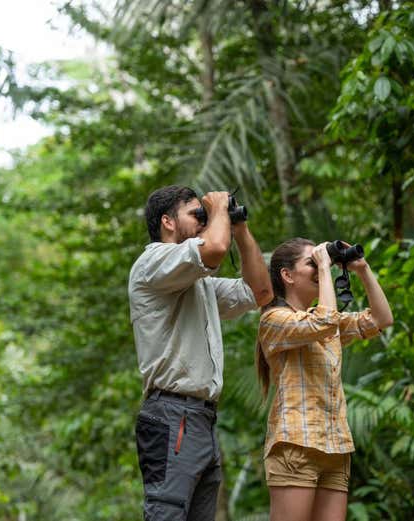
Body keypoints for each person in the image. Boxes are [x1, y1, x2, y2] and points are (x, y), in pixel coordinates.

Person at [128, 185, 272, 521]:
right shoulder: (153, 262)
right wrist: (219, 207)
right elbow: (216, 248)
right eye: (197, 215)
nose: (205, 222)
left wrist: (240, 229)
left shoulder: (198, 284)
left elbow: (261, 292)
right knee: (166, 515)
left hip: (201, 418)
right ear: (168, 222)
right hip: (173, 414)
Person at [255, 238, 394, 521]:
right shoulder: (274, 319)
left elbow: (382, 319)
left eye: (322, 262)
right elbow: (323, 322)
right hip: (297, 444)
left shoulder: (326, 322)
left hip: (335, 447)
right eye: (312, 263)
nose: (322, 267)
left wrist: (362, 269)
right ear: (287, 275)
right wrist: (325, 267)